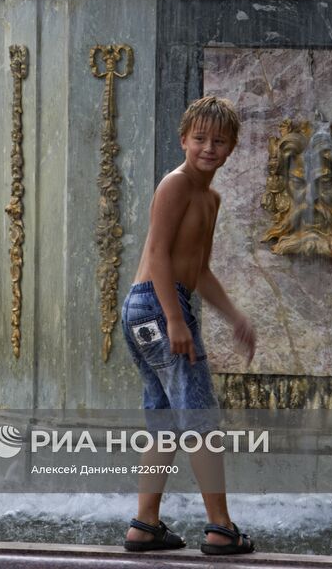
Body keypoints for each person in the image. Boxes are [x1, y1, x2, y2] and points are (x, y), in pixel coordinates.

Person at [121, 95, 257, 556]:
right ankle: (221, 528)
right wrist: (175, 320)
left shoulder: (210, 198)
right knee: (200, 418)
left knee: (165, 419)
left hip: (151, 309)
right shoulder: (175, 185)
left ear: (232, 147)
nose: (208, 148)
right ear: (183, 140)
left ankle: (145, 525)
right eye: (199, 138)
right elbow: (157, 253)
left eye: (219, 141)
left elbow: (198, 271)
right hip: (158, 305)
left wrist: (234, 316)